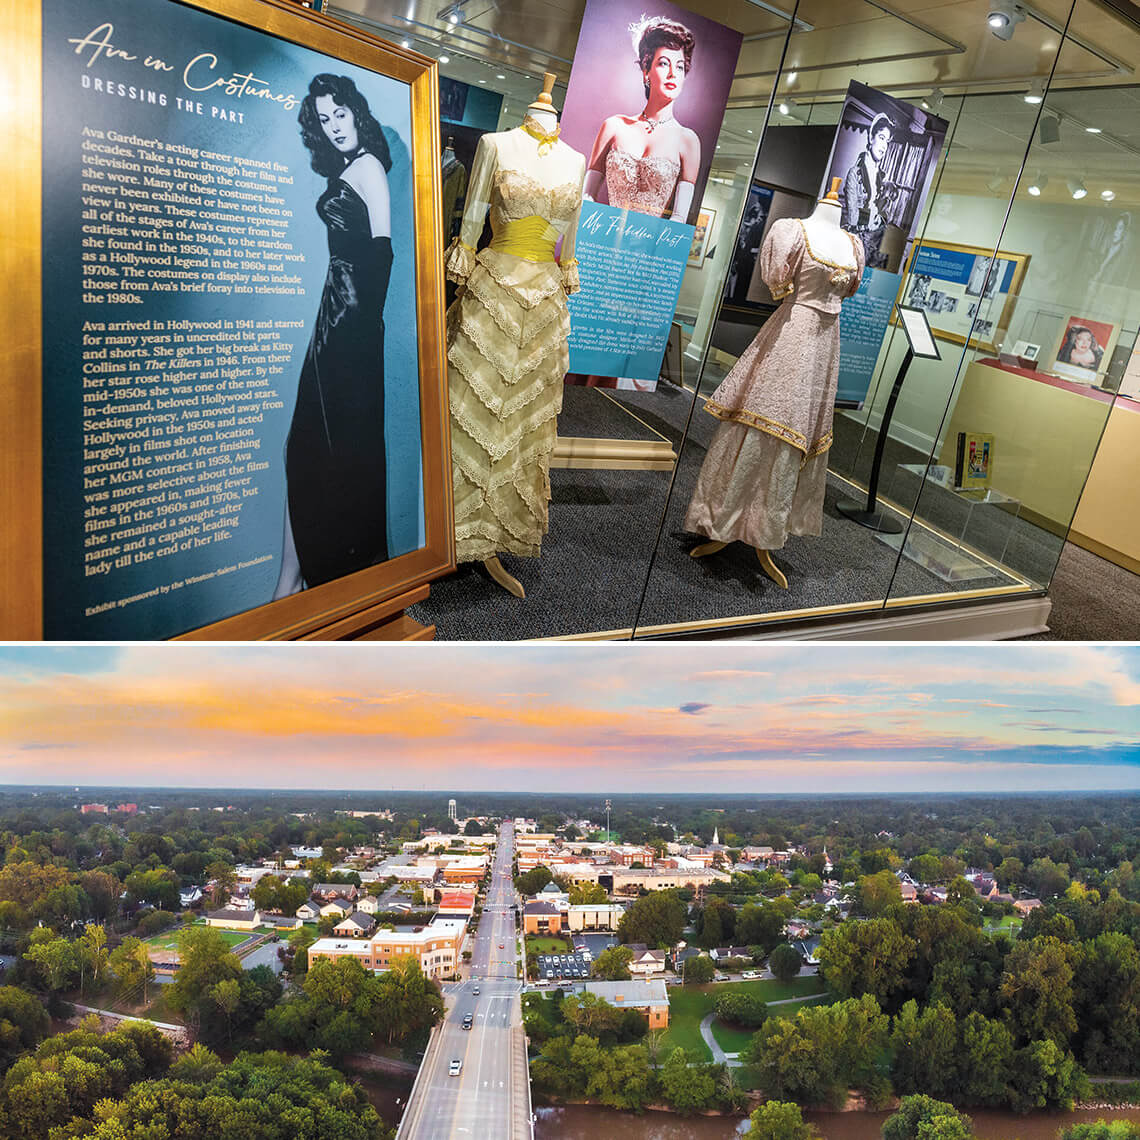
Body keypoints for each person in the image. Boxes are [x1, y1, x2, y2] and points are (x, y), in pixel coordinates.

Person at [274, 74, 394, 598]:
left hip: (351, 327)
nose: (334, 126)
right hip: (333, 318)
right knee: (308, 447)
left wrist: (360, 334)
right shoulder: (349, 168)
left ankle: (306, 581)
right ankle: (293, 578)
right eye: (325, 120)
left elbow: (383, 254)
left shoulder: (369, 168)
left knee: (328, 448)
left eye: (340, 114)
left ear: (356, 112)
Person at [582, 14, 700, 222]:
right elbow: (587, 197)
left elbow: (679, 218)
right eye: (664, 63)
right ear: (646, 71)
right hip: (603, 236)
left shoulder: (687, 140)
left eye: (680, 66)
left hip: (650, 241)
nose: (673, 73)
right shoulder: (614, 126)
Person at [840, 111, 894, 268]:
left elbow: (881, 212)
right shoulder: (855, 173)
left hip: (876, 241)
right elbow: (853, 219)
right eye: (881, 138)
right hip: (859, 241)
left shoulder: (881, 176)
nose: (884, 146)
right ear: (871, 138)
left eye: (887, 142)